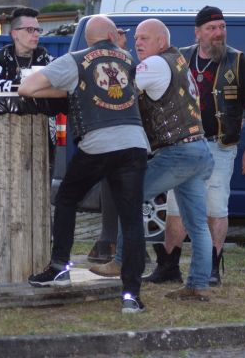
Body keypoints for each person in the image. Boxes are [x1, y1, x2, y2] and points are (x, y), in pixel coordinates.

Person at [18, 15, 148, 314]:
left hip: (99, 144)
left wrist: (69, 91)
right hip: (134, 142)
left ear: (88, 38)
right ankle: (131, 296)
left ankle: (59, 268)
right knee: (131, 220)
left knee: (67, 199)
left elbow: (27, 88)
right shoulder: (129, 60)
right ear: (112, 36)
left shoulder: (75, 60)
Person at [91, 18, 216, 301]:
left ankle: (121, 261)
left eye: (144, 38)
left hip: (178, 153)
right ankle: (198, 285)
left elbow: (119, 88)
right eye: (136, 38)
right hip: (199, 150)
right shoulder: (178, 61)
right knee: (197, 224)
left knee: (129, 196)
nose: (138, 43)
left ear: (161, 41)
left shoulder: (155, 64)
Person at [145, 6, 245, 287]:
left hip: (219, 146)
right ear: (197, 32)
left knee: (215, 206)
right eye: (212, 28)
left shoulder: (237, 60)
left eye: (222, 27)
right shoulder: (180, 58)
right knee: (176, 208)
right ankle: (169, 265)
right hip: (183, 146)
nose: (218, 33)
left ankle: (211, 268)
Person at [87, 27, 131, 264]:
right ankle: (111, 240)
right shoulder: (115, 63)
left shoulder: (127, 62)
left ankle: (112, 240)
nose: (126, 37)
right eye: (121, 33)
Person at [0, 6, 52, 92]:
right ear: (14, 34)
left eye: (38, 30)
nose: (37, 34)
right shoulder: (2, 56)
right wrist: (23, 85)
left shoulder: (43, 55)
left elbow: (61, 75)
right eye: (30, 29)